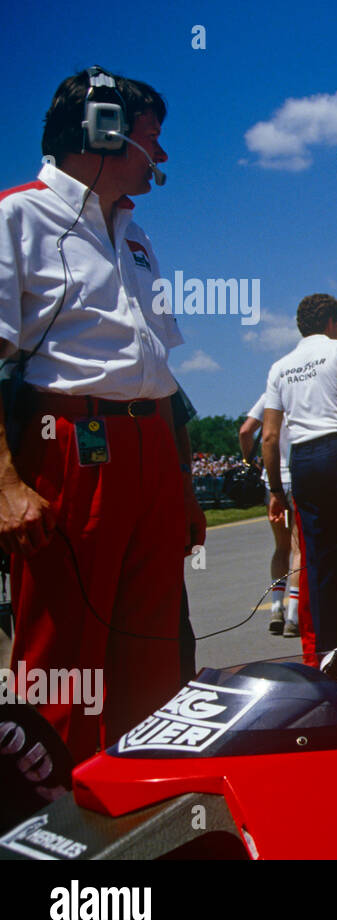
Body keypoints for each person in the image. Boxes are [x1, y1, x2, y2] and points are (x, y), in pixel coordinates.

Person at [0, 67, 203, 761]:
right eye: (153, 139)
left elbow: (160, 375)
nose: (162, 156)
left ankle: (146, 800)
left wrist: (179, 482)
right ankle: (49, 811)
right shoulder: (16, 217)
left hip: (150, 452)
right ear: (103, 132)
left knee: (152, 648)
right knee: (65, 659)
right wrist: (6, 485)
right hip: (70, 447)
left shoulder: (135, 234)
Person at [263, 294, 337, 653]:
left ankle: (328, 653)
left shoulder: (280, 366)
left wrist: (275, 489)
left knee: (319, 563)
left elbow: (269, 435)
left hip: (303, 458)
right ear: (333, 322)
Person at [239, 393, 301, 635]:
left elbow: (246, 431)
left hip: (272, 479)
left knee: (281, 547)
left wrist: (249, 461)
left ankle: (276, 608)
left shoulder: (269, 395)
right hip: (297, 474)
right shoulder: (301, 389)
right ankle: (293, 616)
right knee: (298, 548)